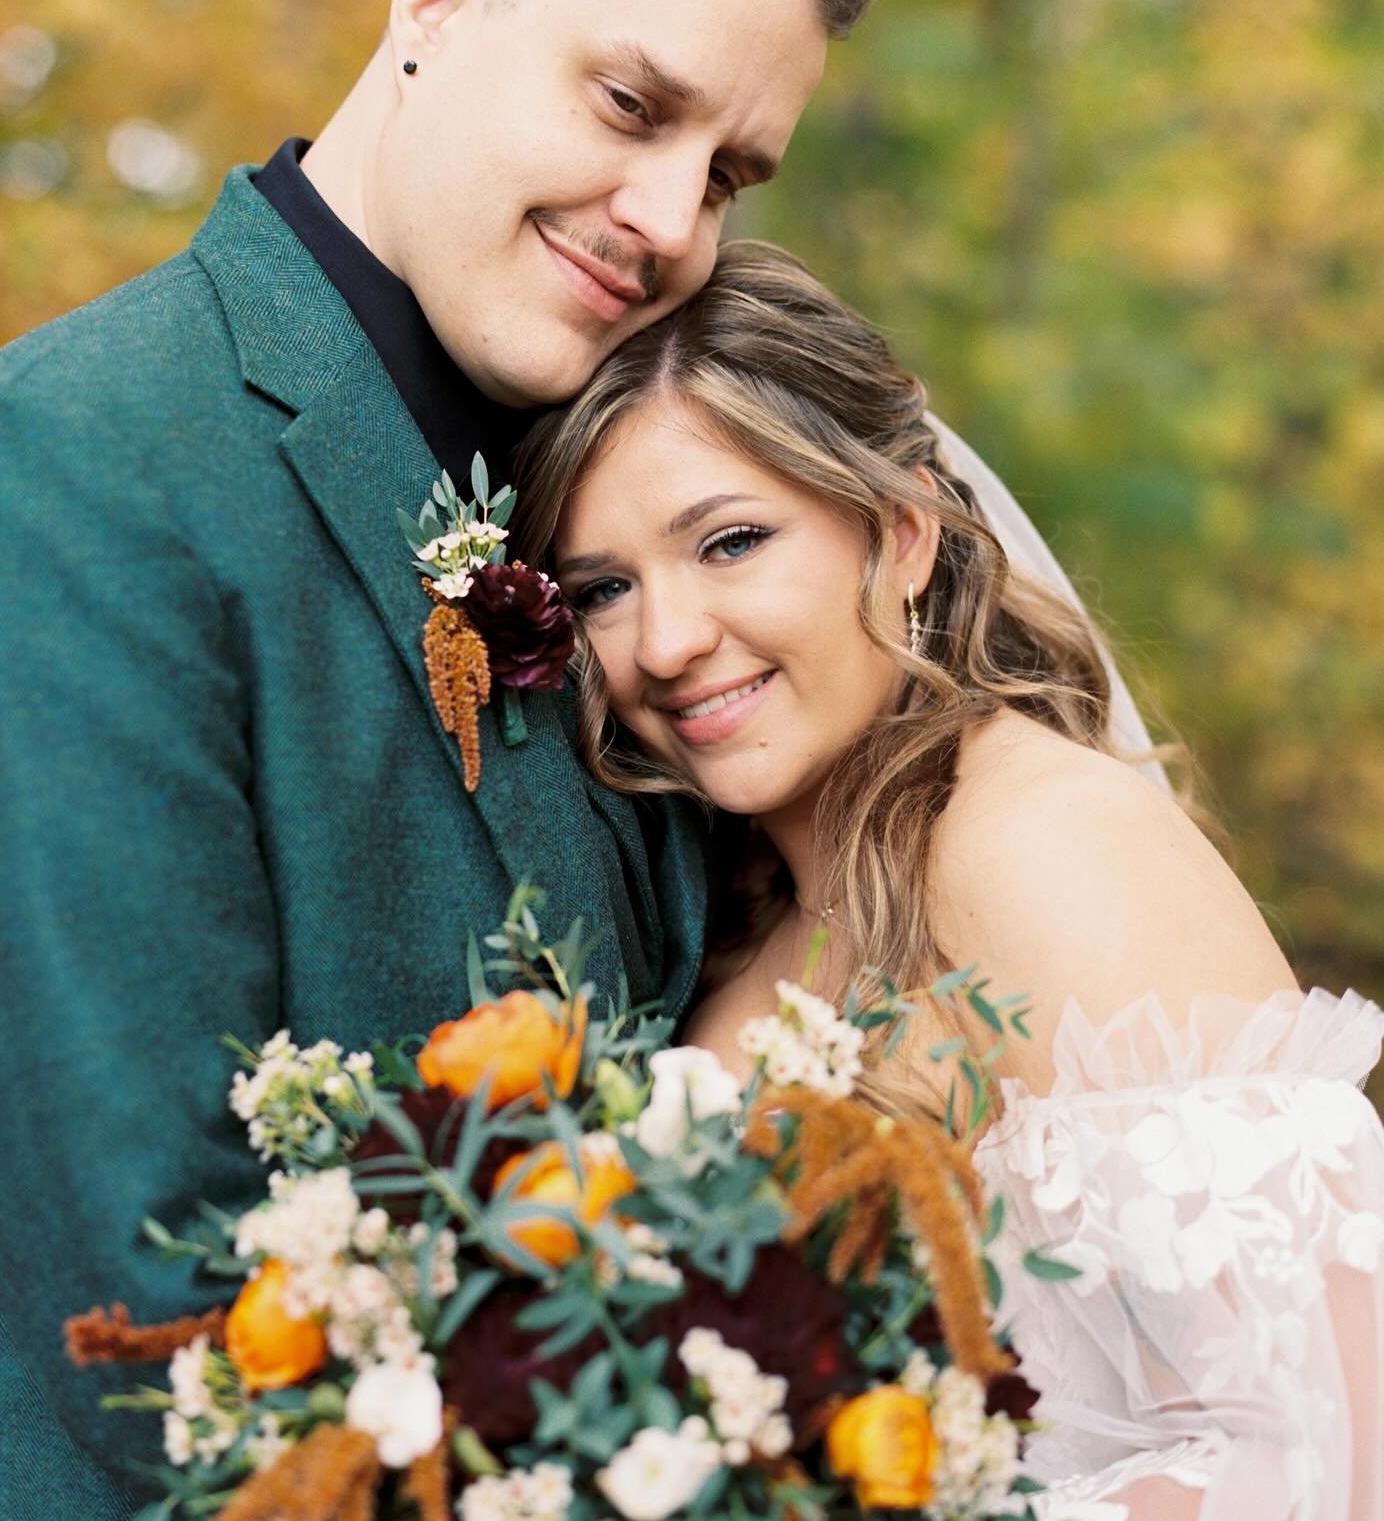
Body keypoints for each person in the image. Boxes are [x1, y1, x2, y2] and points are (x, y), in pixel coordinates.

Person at [0, 0, 880, 1518]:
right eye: (629, 102)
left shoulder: (618, 520)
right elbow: (150, 1304)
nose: (673, 219)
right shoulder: (77, 462)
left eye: (730, 169)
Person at [514, 239, 1384, 1519]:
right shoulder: (734, 908)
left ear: (905, 532)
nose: (668, 641)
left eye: (732, 541)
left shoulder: (1046, 850)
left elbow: (1324, 1443)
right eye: (604, 589)